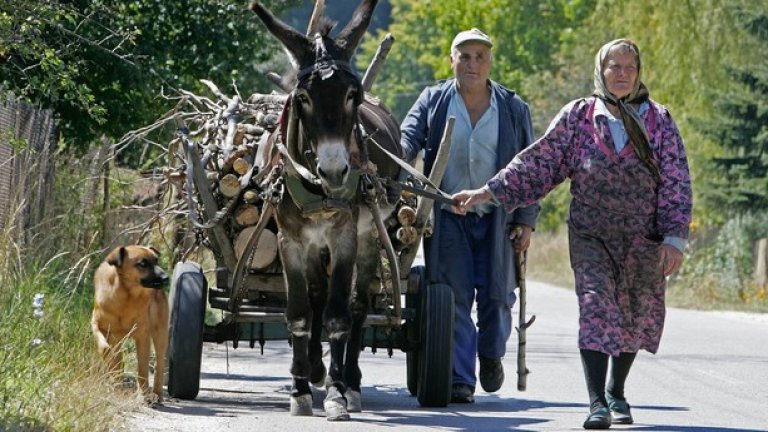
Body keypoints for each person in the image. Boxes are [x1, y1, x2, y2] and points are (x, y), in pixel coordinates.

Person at [452, 38, 692, 428]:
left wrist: (674, 237)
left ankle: (616, 390)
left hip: (643, 239)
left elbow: (677, 180)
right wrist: (487, 191)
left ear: (639, 73)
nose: (622, 74)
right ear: (601, 69)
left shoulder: (658, 120)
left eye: (630, 67)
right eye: (614, 66)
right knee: (597, 309)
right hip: (591, 236)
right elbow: (538, 163)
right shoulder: (580, 116)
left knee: (634, 315)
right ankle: (597, 402)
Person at [400, 28, 539, 404]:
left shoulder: (512, 108)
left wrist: (526, 218)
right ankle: (462, 378)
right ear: (452, 60)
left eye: (480, 56)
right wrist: (395, 158)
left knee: (497, 297)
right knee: (455, 298)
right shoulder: (433, 100)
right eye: (465, 56)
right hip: (446, 218)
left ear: (490, 61)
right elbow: (406, 139)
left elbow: (531, 167)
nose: (472, 63)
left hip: (497, 219)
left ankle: (491, 353)